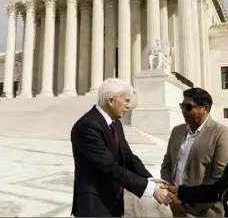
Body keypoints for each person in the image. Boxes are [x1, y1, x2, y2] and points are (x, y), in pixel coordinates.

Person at [71, 78, 175, 217]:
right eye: (126, 100)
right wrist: (150, 189)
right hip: (95, 204)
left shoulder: (115, 123)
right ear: (111, 101)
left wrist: (148, 179)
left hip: (114, 199)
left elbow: (127, 156)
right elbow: (109, 167)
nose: (128, 106)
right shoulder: (87, 127)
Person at [161, 88, 228, 217]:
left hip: (206, 211)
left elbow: (220, 179)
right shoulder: (177, 131)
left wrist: (188, 203)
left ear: (205, 109)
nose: (183, 111)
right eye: (182, 106)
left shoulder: (224, 135)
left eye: (188, 107)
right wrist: (173, 200)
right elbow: (167, 165)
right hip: (176, 207)